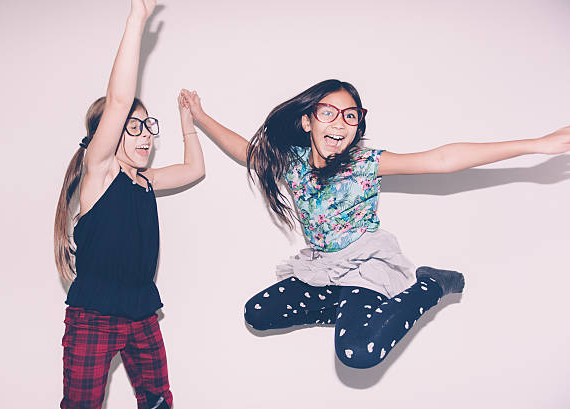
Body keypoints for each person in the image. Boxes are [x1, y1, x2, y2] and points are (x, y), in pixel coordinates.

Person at [180, 80, 569, 369]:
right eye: (327, 112)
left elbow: (441, 159)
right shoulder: (293, 163)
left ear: (357, 125)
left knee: (358, 353)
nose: (340, 122)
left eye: (350, 115)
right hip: (324, 269)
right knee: (258, 314)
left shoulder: (365, 164)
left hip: (366, 268)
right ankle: (344, 302)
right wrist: (199, 117)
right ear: (306, 121)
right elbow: (247, 151)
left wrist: (536, 144)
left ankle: (431, 284)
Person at [53, 1, 204, 407]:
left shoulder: (146, 182)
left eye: (148, 127)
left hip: (141, 312)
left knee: (158, 401)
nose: (143, 136)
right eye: (132, 127)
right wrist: (138, 17)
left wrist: (188, 120)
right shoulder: (99, 173)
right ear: (109, 133)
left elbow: (193, 170)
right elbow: (118, 102)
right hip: (93, 317)